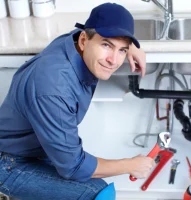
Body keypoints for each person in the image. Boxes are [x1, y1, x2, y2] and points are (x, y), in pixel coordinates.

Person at [0, 3, 155, 200]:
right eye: (107, 45)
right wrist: (130, 165)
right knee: (98, 194)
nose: (114, 60)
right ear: (84, 41)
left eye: (121, 50)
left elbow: (98, 32)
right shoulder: (54, 88)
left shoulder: (74, 42)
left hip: (34, 147)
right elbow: (72, 167)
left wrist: (130, 46)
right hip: (9, 164)